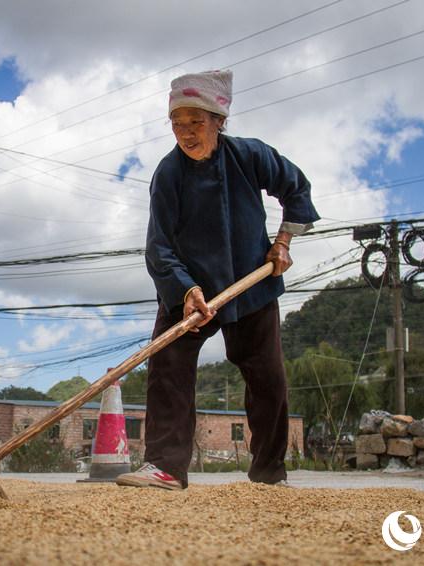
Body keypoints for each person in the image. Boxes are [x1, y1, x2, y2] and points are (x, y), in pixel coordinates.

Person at [116, 70, 320, 491]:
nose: (186, 133)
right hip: (190, 292)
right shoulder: (169, 174)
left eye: (196, 123)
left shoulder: (251, 156)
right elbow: (159, 246)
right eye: (177, 123)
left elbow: (297, 188)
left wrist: (283, 241)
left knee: (268, 380)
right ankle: (165, 468)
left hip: (252, 287)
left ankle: (268, 474)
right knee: (168, 373)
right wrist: (187, 291)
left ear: (219, 121)